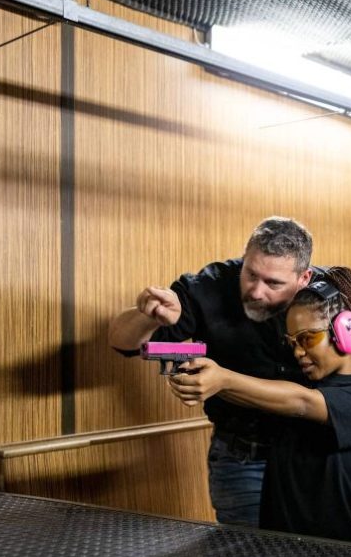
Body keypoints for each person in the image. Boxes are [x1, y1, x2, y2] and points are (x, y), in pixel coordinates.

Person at [166, 267, 351, 546]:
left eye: (308, 339)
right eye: (293, 342)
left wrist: (223, 379)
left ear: (347, 330)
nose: (298, 351)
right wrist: (207, 379)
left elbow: (302, 403)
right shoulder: (304, 387)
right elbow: (276, 396)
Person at [108, 216, 316, 527]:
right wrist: (147, 314)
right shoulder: (210, 286)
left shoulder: (329, 297)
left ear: (304, 278)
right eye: (250, 274)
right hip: (241, 457)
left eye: (273, 283)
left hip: (315, 455)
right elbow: (122, 343)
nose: (257, 291)